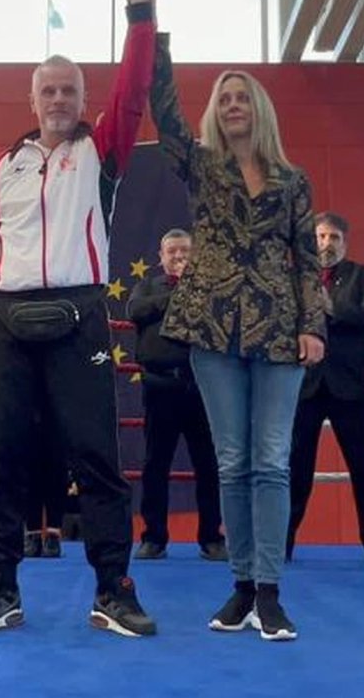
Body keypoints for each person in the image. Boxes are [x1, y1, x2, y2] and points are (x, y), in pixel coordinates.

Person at [0, 0, 157, 637]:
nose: (59, 99)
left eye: (69, 90)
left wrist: (141, 17)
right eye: (49, 90)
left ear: (84, 100)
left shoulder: (102, 152)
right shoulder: (2, 166)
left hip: (78, 316)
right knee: (1, 459)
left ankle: (113, 589)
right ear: (32, 99)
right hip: (7, 319)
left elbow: (133, 92)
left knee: (96, 457)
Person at [150, 32, 325, 641]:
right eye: (223, 99)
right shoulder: (202, 166)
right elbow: (165, 116)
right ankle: (242, 586)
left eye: (241, 97)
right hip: (212, 326)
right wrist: (150, 30)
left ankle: (270, 592)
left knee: (271, 461)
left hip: (279, 330)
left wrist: (312, 325)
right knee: (232, 463)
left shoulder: (293, 180)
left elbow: (307, 259)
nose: (231, 106)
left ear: (260, 109)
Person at [287, 212, 364, 569]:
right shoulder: (294, 278)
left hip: (353, 386)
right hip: (304, 385)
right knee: (292, 469)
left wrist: (330, 307)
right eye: (321, 237)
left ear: (344, 243)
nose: (326, 244)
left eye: (333, 237)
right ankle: (279, 545)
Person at [127, 228, 226, 561]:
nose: (179, 257)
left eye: (185, 251)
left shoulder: (210, 287)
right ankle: (154, 537)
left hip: (202, 387)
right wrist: (177, 293)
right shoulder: (147, 287)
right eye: (173, 252)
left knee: (208, 464)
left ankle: (212, 537)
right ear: (161, 256)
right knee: (156, 463)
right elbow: (135, 311)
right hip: (160, 386)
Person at [23, 403, 69, 559]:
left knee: (57, 471)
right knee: (29, 471)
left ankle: (53, 534)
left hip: (58, 410)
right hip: (28, 410)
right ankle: (32, 534)